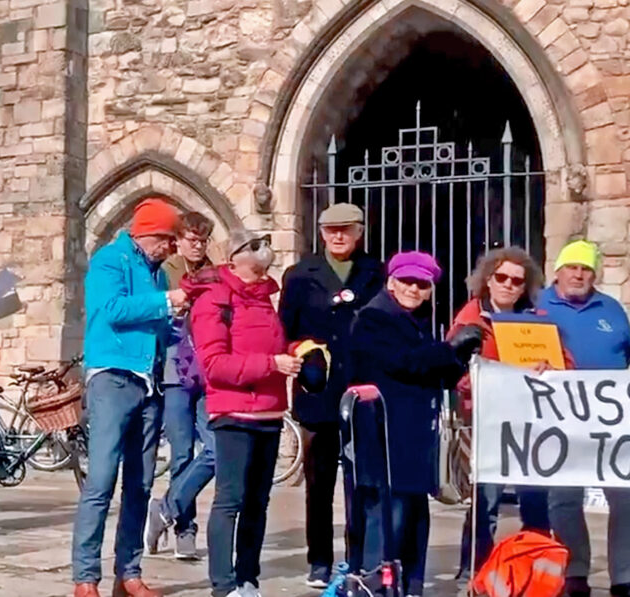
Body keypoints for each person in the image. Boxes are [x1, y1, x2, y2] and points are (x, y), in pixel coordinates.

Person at [72, 198, 187, 597]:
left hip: (149, 384)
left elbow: (155, 325)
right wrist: (165, 303)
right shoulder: (110, 260)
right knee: (101, 480)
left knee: (139, 485)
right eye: (169, 241)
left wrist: (180, 326)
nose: (172, 249)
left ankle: (129, 573)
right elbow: (113, 309)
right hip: (113, 380)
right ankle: (86, 579)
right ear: (149, 234)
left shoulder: (156, 274)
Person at [349, 251, 479, 597]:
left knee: (415, 516)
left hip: (414, 434)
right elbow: (401, 363)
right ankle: (379, 585)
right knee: (389, 517)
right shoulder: (373, 318)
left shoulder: (420, 320)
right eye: (407, 281)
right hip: (384, 435)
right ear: (391, 282)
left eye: (422, 284)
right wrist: (448, 349)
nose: (413, 289)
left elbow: (439, 373)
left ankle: (411, 586)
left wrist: (459, 356)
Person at [187, 228, 302, 597]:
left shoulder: (266, 298)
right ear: (235, 257)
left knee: (258, 502)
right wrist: (273, 364)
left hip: (269, 413)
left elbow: (275, 344)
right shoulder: (214, 300)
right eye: (255, 245)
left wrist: (301, 352)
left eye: (265, 242)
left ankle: (248, 579)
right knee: (230, 500)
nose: (264, 249)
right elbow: (215, 364)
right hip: (233, 414)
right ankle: (223, 585)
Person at [278, 202, 384, 588]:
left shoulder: (377, 273)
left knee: (362, 482)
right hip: (318, 390)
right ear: (321, 233)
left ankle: (360, 557)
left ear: (360, 232)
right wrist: (300, 352)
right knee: (319, 483)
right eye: (330, 230)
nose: (338, 236)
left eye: (347, 229)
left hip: (361, 390)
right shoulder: (299, 275)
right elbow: (284, 330)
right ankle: (319, 561)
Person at [450, 247, 554, 579]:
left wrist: (551, 367)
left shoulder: (538, 321)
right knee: (485, 503)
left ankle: (540, 572)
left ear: (526, 287)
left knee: (536, 501)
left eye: (517, 281)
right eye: (502, 277)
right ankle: (475, 572)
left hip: (530, 424)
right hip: (488, 424)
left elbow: (566, 362)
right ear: (488, 280)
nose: (509, 285)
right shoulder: (469, 318)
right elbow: (454, 371)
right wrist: (488, 377)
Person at [537, 240, 630, 597]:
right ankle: (575, 572)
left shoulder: (612, 309)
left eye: (586, 269)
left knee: (623, 495)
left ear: (594, 275)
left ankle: (623, 575)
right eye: (572, 267)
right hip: (559, 420)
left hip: (610, 421)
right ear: (557, 271)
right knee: (563, 497)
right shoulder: (537, 305)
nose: (578, 274)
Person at [146, 211, 217, 560]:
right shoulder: (164, 273)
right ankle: (184, 531)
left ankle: (164, 508)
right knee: (181, 453)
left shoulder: (216, 274)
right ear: (179, 240)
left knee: (217, 450)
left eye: (203, 240)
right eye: (192, 239)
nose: (198, 246)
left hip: (209, 372)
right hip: (175, 372)